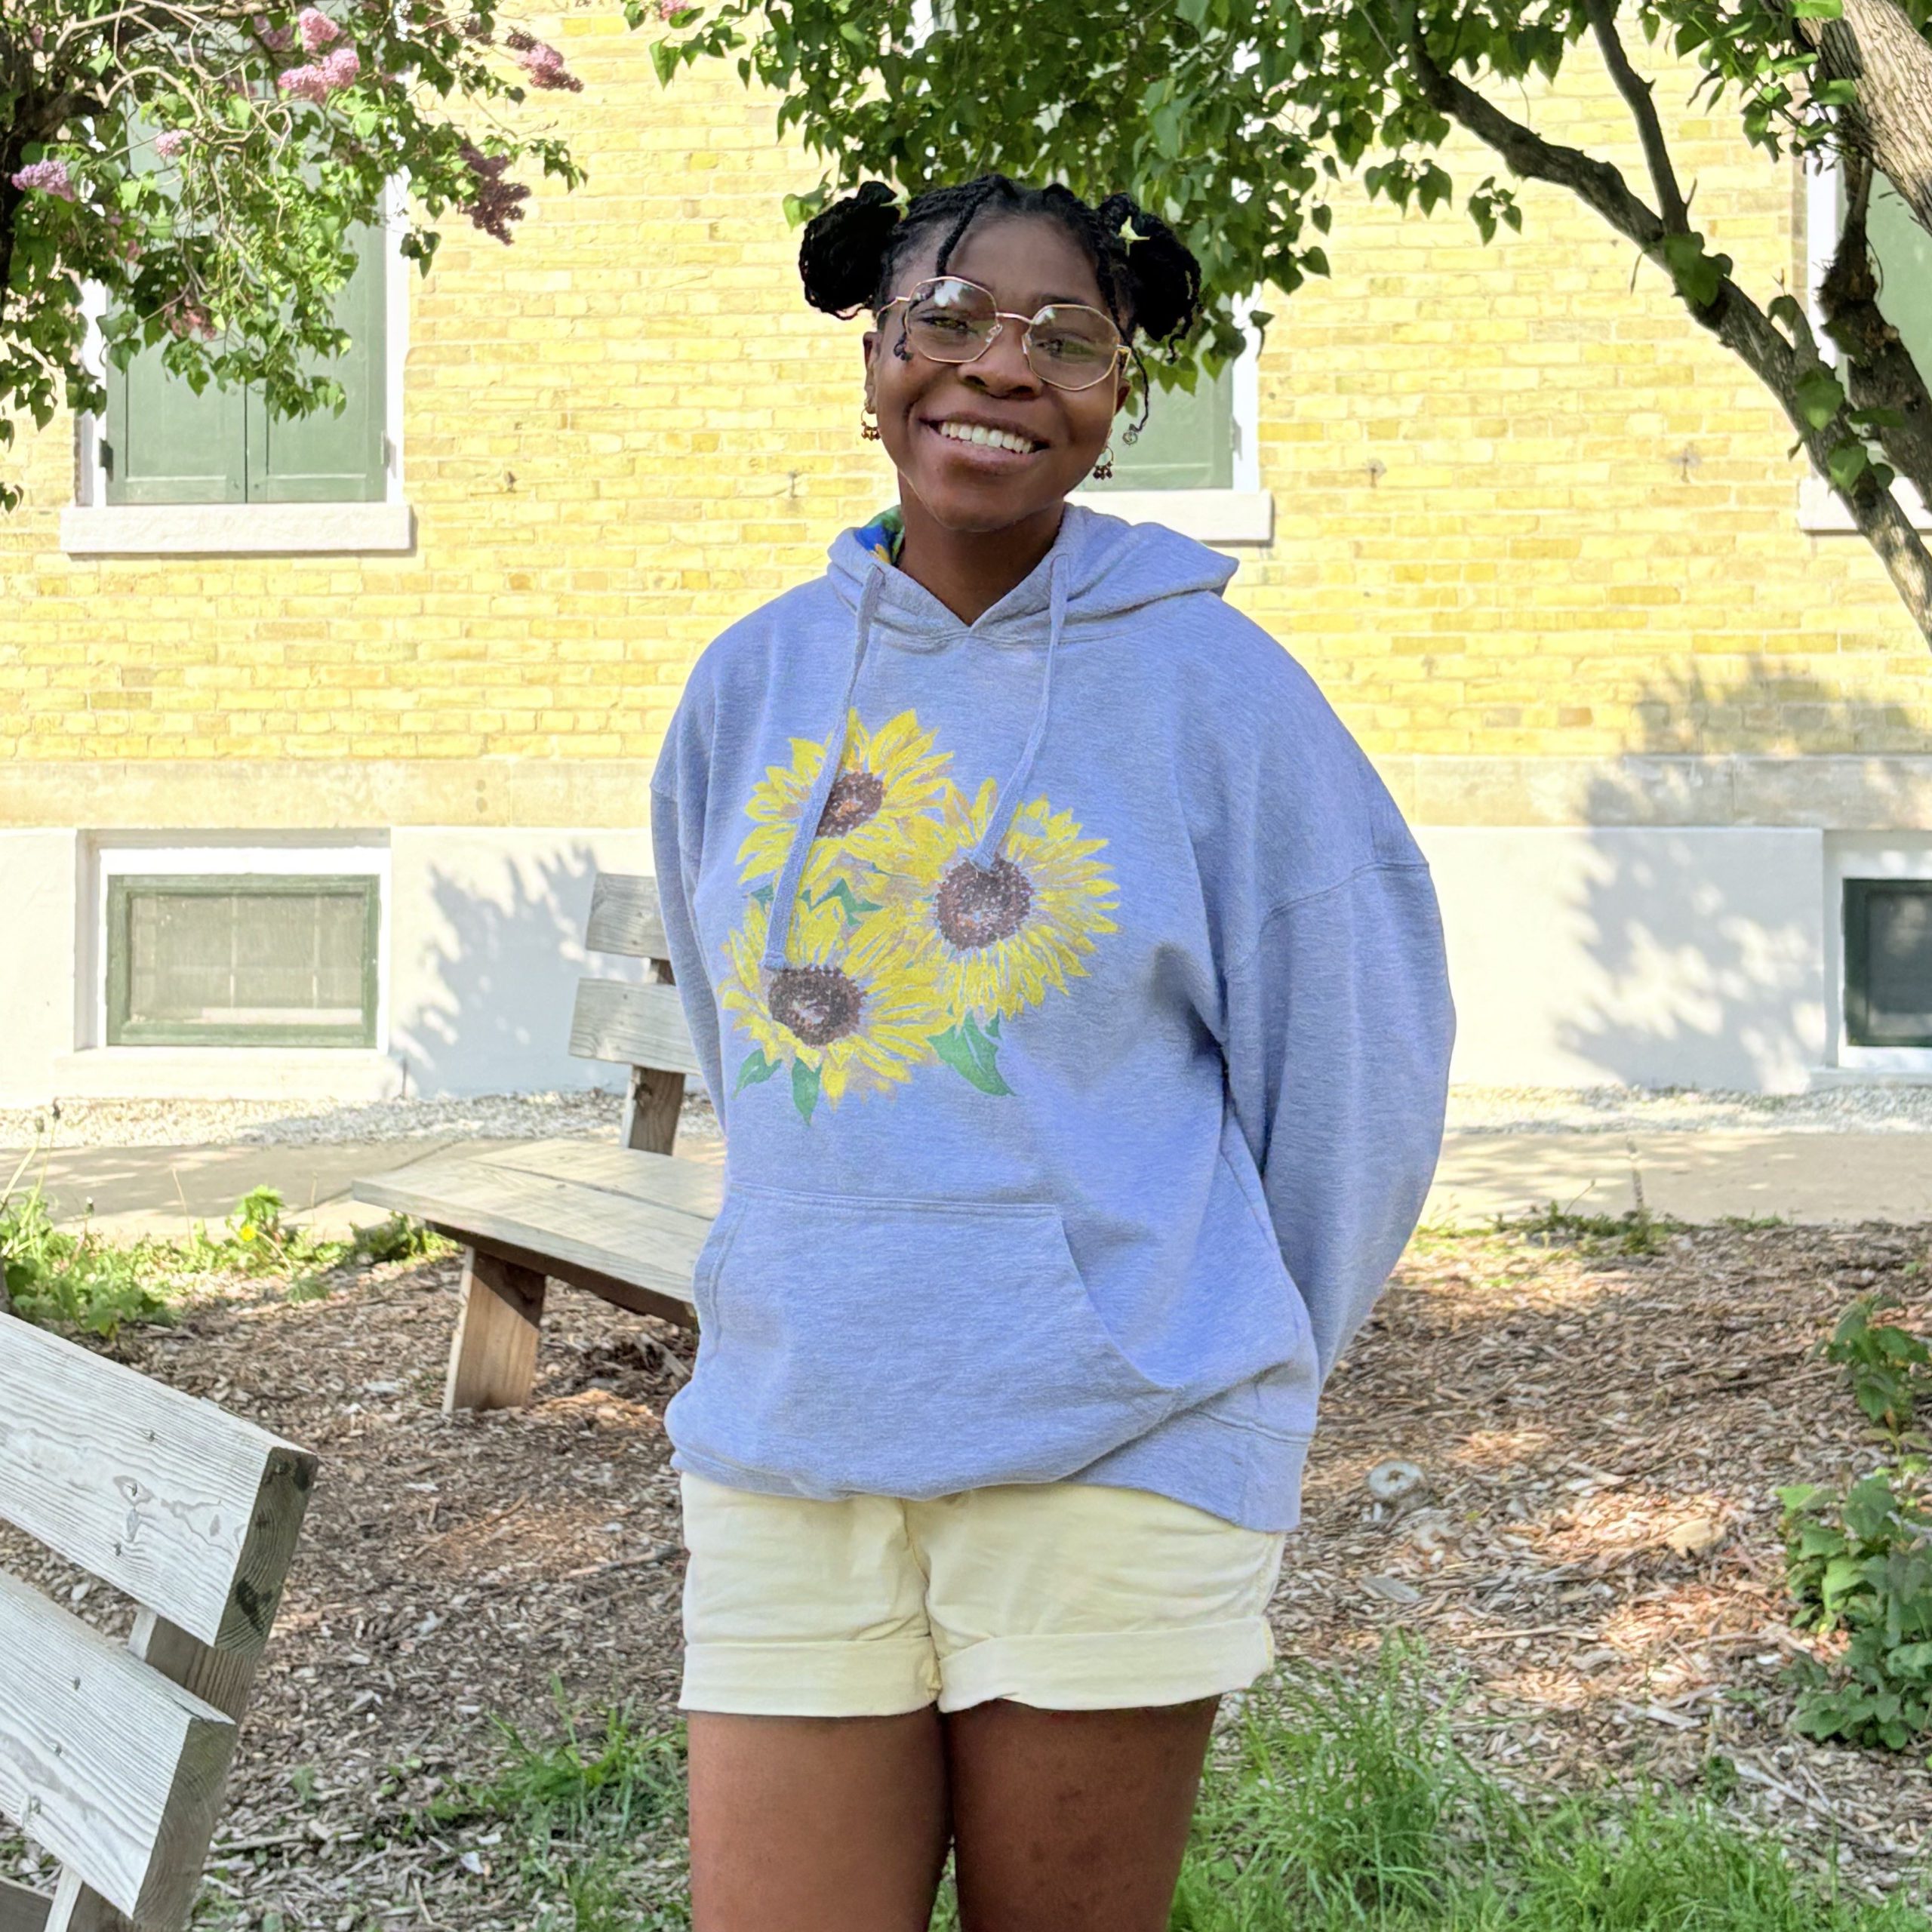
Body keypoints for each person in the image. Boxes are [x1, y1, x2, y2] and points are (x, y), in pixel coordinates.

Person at [649, 171, 1457, 1932]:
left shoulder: (1219, 695)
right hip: (797, 1437)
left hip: (1112, 1457)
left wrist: (1202, 1355)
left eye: (1064, 337)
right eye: (947, 318)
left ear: (1115, 398)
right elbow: (735, 1038)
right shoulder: (748, 683)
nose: (999, 366)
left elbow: (1356, 1076)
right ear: (874, 351)